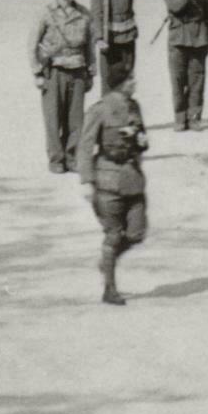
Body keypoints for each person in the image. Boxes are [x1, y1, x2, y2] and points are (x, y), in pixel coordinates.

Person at [76, 77, 149, 307]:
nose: (135, 84)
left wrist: (140, 140)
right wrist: (87, 181)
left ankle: (108, 261)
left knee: (137, 233)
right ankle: (110, 288)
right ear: (119, 83)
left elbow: (143, 140)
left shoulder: (134, 107)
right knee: (113, 234)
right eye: (130, 80)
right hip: (107, 179)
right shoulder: (99, 110)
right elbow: (85, 146)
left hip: (133, 178)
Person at [30, 0, 95, 174]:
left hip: (77, 69)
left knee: (76, 119)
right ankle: (56, 158)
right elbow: (33, 44)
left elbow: (89, 46)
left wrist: (91, 73)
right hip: (54, 70)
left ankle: (72, 156)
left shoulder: (84, 14)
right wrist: (37, 72)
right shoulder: (47, 13)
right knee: (53, 118)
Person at [161, 0, 208, 131]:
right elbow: (175, 6)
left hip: (199, 38)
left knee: (197, 80)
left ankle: (194, 117)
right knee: (177, 80)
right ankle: (180, 117)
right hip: (178, 40)